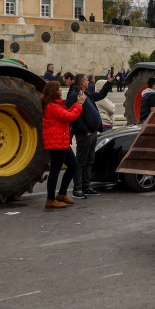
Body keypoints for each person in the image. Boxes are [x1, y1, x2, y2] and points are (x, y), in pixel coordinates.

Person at [66, 73, 113, 198]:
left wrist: (109, 82)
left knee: (89, 161)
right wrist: (85, 130)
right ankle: (77, 189)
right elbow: (74, 117)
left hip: (93, 132)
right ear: (82, 83)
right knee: (80, 162)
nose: (89, 82)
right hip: (84, 134)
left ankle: (86, 187)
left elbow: (101, 95)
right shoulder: (74, 96)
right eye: (87, 80)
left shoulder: (87, 94)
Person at [42, 80, 84, 209]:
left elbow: (66, 114)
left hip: (61, 141)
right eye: (59, 88)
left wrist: (76, 104)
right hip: (57, 142)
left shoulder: (56, 104)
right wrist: (79, 104)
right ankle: (50, 199)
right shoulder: (52, 106)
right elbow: (69, 116)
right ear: (53, 91)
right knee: (55, 170)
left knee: (73, 166)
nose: (61, 89)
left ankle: (61, 194)